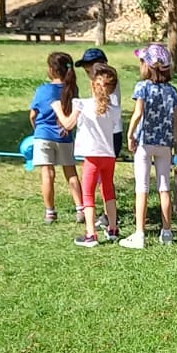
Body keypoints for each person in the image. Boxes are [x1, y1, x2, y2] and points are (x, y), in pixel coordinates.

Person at [56, 64, 122, 247]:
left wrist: (57, 109)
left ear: (92, 84)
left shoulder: (82, 104)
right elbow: (113, 127)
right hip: (108, 156)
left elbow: (68, 125)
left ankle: (91, 234)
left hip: (92, 156)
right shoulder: (114, 109)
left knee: (88, 194)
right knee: (108, 191)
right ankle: (113, 228)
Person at [121, 44, 177, 248]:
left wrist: (130, 135)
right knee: (164, 187)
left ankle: (139, 234)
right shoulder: (172, 91)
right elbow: (176, 120)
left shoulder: (143, 87)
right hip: (165, 143)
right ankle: (167, 232)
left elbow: (138, 113)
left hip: (145, 142)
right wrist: (175, 140)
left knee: (142, 187)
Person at [30, 52, 82, 225]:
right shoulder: (73, 89)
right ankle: (80, 208)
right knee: (71, 172)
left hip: (43, 135)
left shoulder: (42, 90)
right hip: (64, 136)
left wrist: (37, 130)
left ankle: (50, 212)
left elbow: (32, 115)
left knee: (47, 173)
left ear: (51, 69)